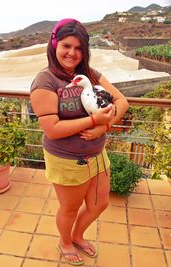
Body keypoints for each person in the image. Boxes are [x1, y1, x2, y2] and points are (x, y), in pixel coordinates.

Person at [30, 18, 129, 266]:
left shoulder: (90, 75)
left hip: (97, 154)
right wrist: (93, 120)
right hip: (66, 159)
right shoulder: (45, 81)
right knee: (70, 208)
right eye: (66, 45)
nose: (72, 53)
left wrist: (104, 127)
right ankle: (65, 241)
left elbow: (122, 102)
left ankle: (77, 235)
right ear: (54, 45)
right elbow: (51, 129)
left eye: (78, 47)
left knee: (100, 203)